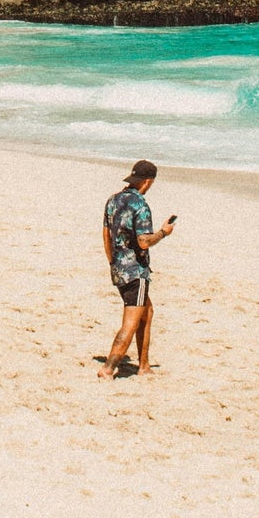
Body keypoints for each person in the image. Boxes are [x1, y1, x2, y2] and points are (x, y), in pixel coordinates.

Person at [98, 160, 176, 379]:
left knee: (147, 313)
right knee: (131, 322)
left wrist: (113, 262)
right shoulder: (141, 205)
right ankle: (108, 368)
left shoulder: (113, 200)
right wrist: (164, 232)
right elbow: (144, 241)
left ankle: (144, 366)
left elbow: (106, 234)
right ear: (148, 182)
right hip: (135, 271)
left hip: (118, 268)